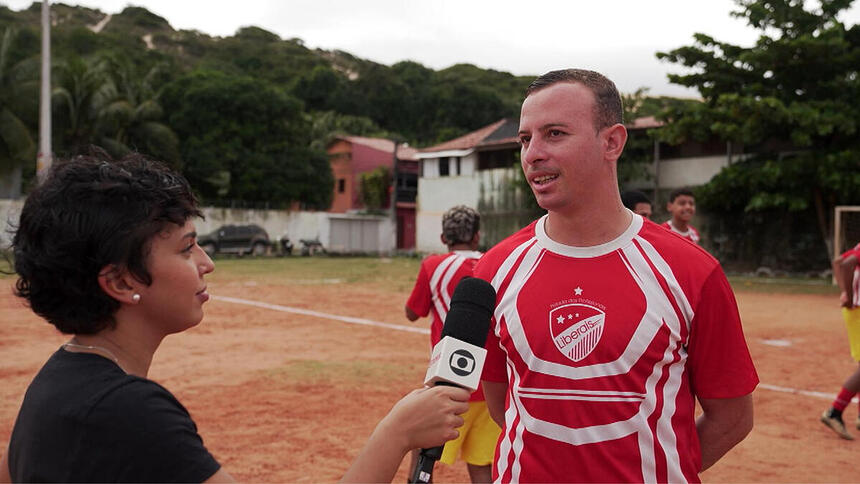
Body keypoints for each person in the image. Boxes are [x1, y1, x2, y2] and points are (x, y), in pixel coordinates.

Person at [0, 152, 469, 484]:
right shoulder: (127, 412)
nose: (207, 263)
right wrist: (397, 433)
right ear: (121, 283)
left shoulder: (60, 379)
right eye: (186, 248)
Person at [474, 69, 758, 483]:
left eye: (554, 134)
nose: (532, 153)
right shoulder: (494, 270)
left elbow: (732, 416)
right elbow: (503, 402)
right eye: (525, 138)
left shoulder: (691, 271)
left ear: (612, 142)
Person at [405, 205, 501, 483]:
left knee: (422, 460)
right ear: (476, 236)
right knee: (483, 466)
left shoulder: (433, 266)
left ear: (444, 238)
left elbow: (413, 312)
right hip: (489, 385)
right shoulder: (493, 263)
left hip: (449, 382)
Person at [820, 241, 860, 440]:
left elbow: (838, 261)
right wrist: (850, 296)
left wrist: (845, 290)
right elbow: (846, 264)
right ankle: (834, 412)